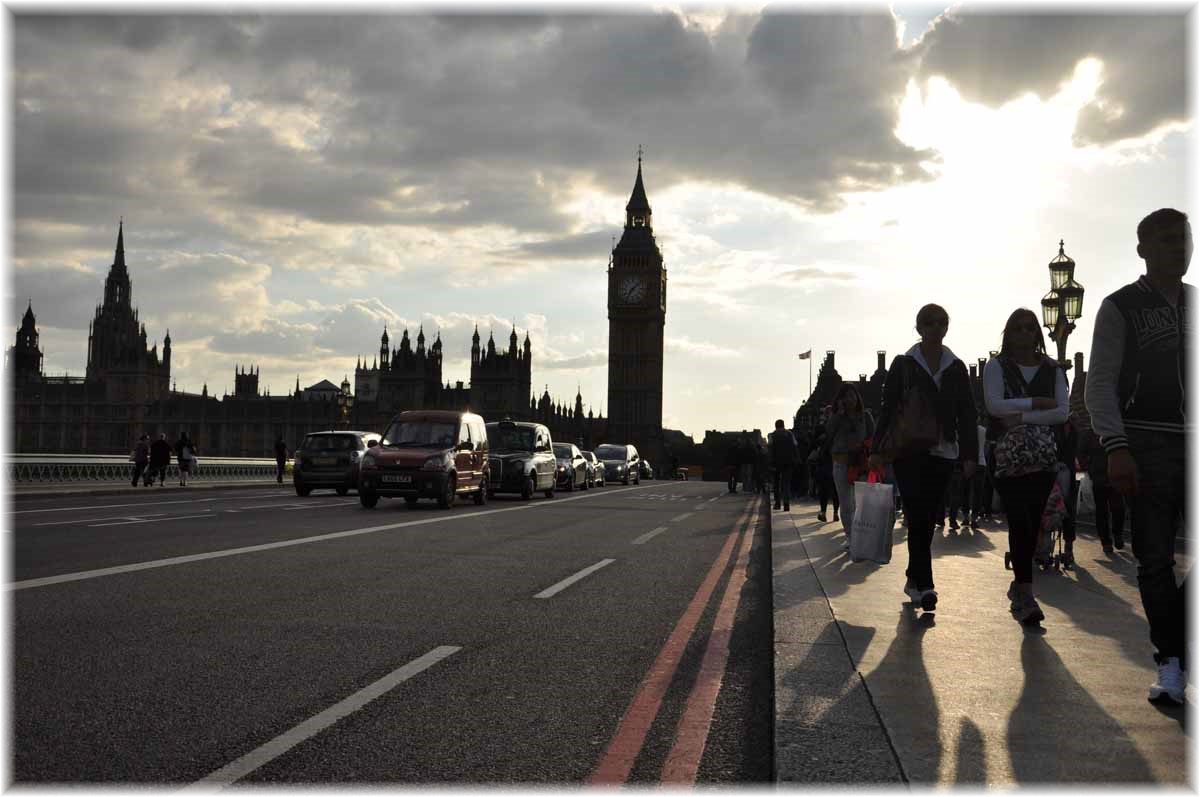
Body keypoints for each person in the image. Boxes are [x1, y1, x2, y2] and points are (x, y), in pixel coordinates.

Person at [1086, 207, 1190, 705]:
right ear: (1143, 248)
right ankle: (1169, 661)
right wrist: (1116, 445)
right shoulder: (1120, 307)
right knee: (1154, 557)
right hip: (1145, 440)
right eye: (1168, 240)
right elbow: (1100, 381)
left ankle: (1180, 643)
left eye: (1185, 239)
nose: (1180, 247)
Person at [869, 303, 977, 613]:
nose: (935, 327)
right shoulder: (904, 364)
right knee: (916, 514)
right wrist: (876, 449)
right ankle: (926, 585)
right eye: (929, 322)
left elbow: (967, 413)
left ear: (947, 327)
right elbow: (888, 408)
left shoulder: (956, 367)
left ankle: (913, 578)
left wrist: (970, 453)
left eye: (941, 322)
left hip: (944, 450)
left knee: (928, 518)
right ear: (919, 328)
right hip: (909, 449)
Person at [984, 308, 1069, 625]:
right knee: (1019, 519)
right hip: (1008, 457)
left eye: (1029, 328)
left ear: (1037, 333)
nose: (1023, 333)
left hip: (1044, 457)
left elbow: (1061, 412)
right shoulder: (997, 367)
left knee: (1033, 522)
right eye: (1017, 328)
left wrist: (1020, 415)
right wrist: (1037, 403)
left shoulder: (1053, 369)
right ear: (1009, 333)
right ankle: (1027, 592)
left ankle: (1020, 587)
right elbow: (994, 405)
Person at [826, 384, 874, 549]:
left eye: (852, 395)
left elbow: (873, 437)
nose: (850, 399)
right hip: (841, 462)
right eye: (846, 396)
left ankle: (860, 534)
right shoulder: (837, 417)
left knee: (860, 503)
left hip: (860, 463)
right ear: (841, 399)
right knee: (846, 504)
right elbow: (829, 434)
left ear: (857, 397)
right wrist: (838, 415)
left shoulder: (866, 416)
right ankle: (850, 536)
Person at [1077, 423, 1126, 553]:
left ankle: (1117, 534)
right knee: (1102, 510)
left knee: (1118, 508)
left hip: (1115, 474)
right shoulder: (1089, 433)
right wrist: (1089, 468)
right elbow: (1081, 452)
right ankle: (1106, 541)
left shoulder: (1115, 429)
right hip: (1099, 477)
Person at [769, 419, 798, 511]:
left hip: (776, 462)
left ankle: (777, 504)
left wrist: (770, 462)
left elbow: (770, 448)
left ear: (775, 426)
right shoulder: (790, 434)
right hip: (788, 462)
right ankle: (786, 505)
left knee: (776, 483)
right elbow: (795, 446)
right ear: (783, 425)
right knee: (786, 483)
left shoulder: (772, 435)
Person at [966, 422, 988, 529]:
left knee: (965, 490)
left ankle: (965, 516)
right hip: (981, 462)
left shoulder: (966, 430)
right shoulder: (984, 430)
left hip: (969, 462)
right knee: (978, 493)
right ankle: (974, 518)